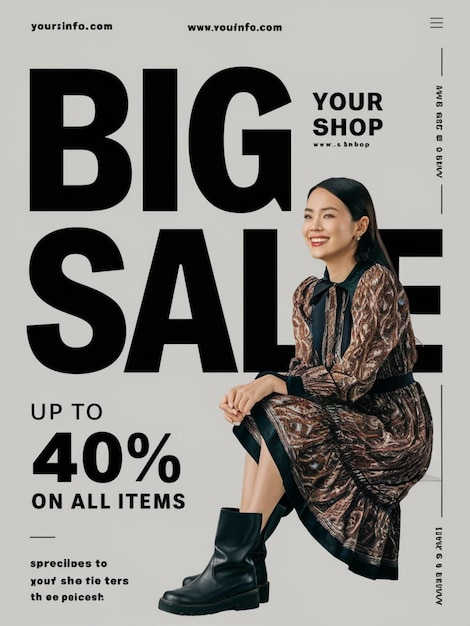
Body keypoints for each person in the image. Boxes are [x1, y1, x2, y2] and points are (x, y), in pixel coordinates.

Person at [158, 177, 433, 616]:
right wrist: (258, 388)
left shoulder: (377, 283)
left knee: (281, 404)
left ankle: (234, 565)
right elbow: (305, 372)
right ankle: (241, 564)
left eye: (328, 216)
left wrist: (271, 381)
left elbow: (354, 380)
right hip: (345, 412)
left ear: (360, 226)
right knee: (267, 407)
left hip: (390, 427)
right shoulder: (308, 292)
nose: (314, 226)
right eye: (308, 216)